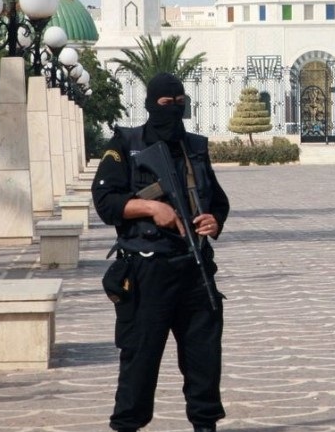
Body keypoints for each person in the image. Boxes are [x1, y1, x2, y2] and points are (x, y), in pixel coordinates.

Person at [93, 72, 231, 432]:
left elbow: (217, 200)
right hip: (147, 269)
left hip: (195, 269)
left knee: (204, 359)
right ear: (151, 105)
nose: (173, 111)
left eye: (179, 104)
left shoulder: (195, 147)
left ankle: (205, 425)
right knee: (140, 359)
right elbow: (107, 203)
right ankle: (127, 425)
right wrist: (153, 209)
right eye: (166, 105)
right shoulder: (125, 144)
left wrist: (213, 221)